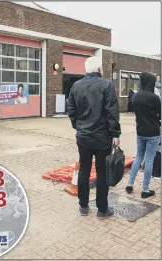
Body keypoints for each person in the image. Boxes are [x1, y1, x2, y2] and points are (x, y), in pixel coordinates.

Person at [67, 57, 121, 219]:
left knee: (84, 169)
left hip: (83, 136)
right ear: (99, 69)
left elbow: (71, 108)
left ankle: (83, 206)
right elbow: (112, 112)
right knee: (101, 171)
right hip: (102, 137)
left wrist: (78, 125)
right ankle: (102, 209)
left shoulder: (76, 86)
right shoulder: (107, 85)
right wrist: (115, 134)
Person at [126, 72, 161, 198]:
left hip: (140, 131)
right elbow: (160, 115)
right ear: (151, 82)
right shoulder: (154, 98)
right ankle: (145, 190)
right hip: (153, 132)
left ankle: (130, 183)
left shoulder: (136, 97)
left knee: (138, 156)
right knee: (149, 159)